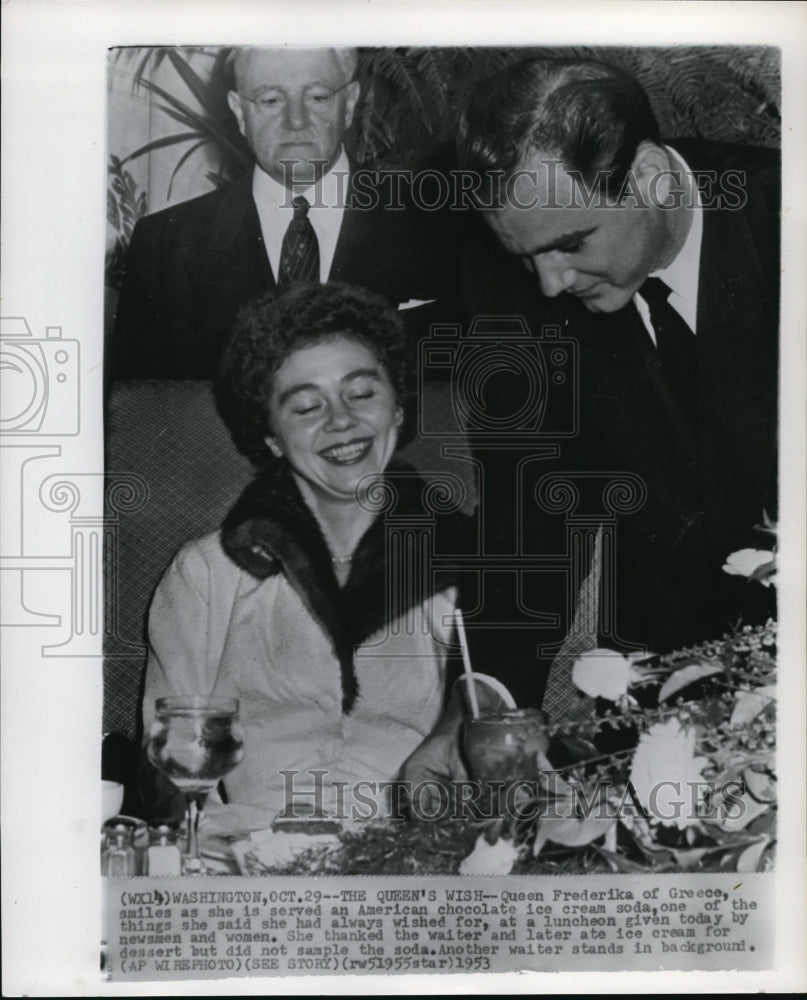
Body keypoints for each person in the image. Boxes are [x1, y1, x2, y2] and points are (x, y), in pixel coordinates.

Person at [402, 55, 779, 786]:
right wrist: (479, 709)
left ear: (647, 178)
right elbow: (526, 520)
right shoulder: (508, 288)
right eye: (526, 255)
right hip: (669, 711)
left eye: (571, 243)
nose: (549, 284)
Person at [139, 282, 477, 830]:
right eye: (304, 405)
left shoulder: (465, 564)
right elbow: (170, 773)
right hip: (249, 856)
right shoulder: (206, 573)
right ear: (271, 436)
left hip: (412, 852)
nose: (340, 420)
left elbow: (496, 736)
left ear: (397, 409)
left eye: (362, 393)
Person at [109, 46, 459, 381]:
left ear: (350, 103)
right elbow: (137, 420)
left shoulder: (438, 229)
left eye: (317, 97)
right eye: (271, 100)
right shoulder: (165, 247)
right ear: (239, 111)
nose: (296, 121)